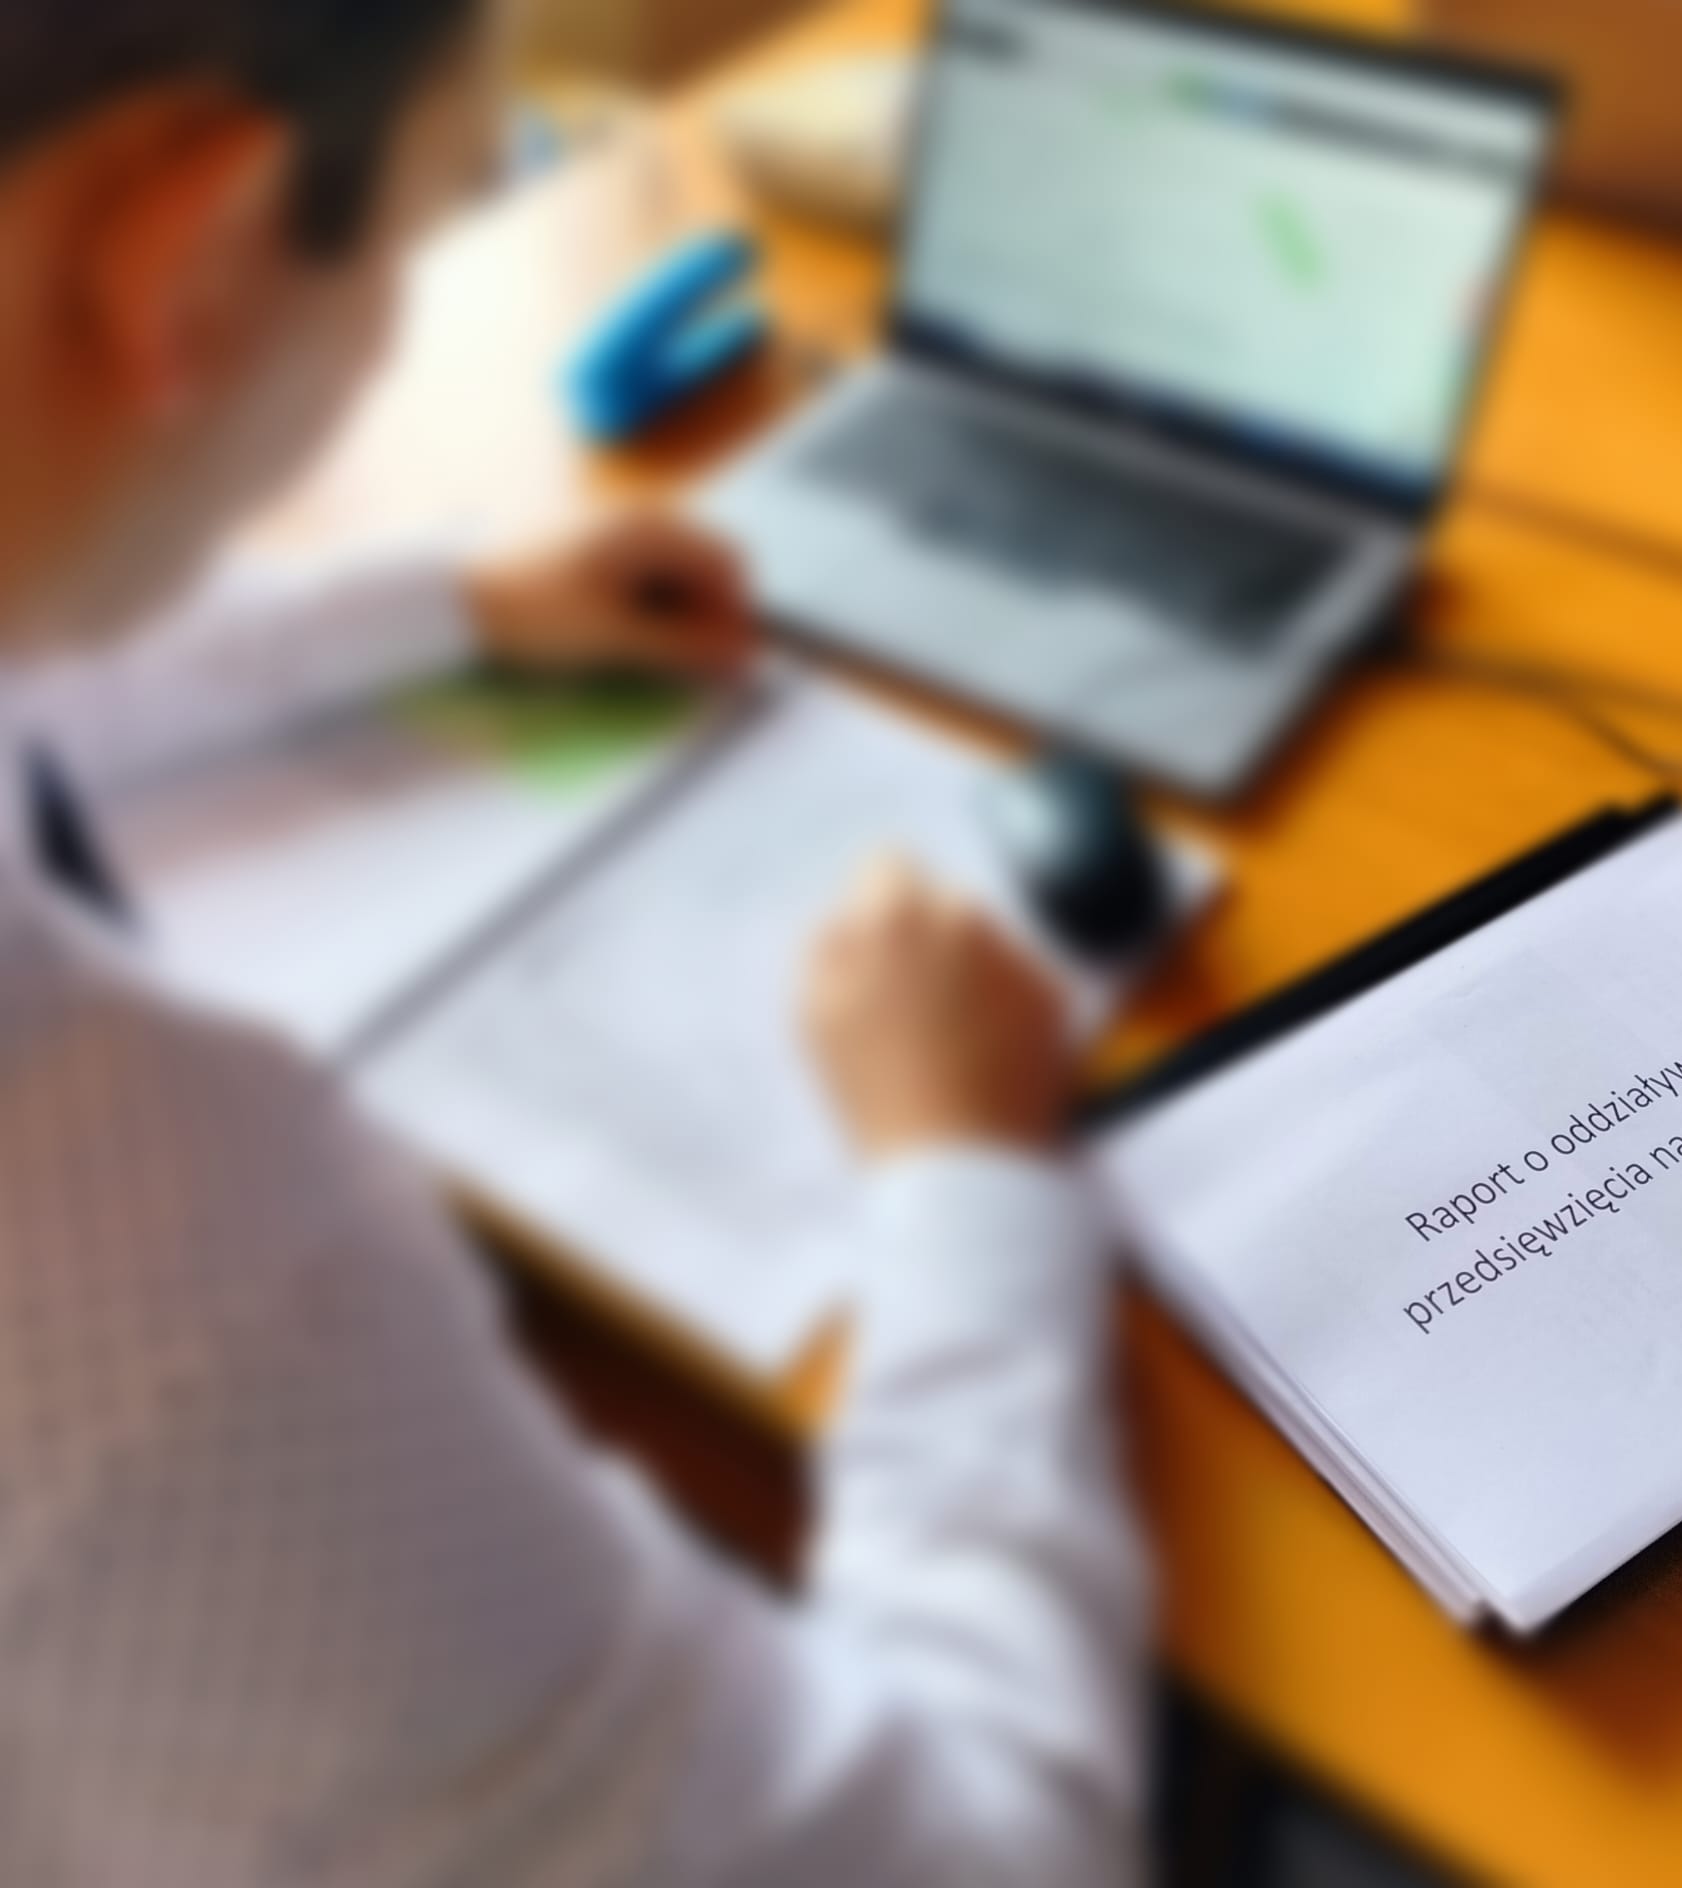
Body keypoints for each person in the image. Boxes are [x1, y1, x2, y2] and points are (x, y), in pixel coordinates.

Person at [0, 3, 1149, 1884]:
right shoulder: (163, 1290)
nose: (390, 324)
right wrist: (965, 1177)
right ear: (184, 253)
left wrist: (451, 605)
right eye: (431, 221)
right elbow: (998, 1861)